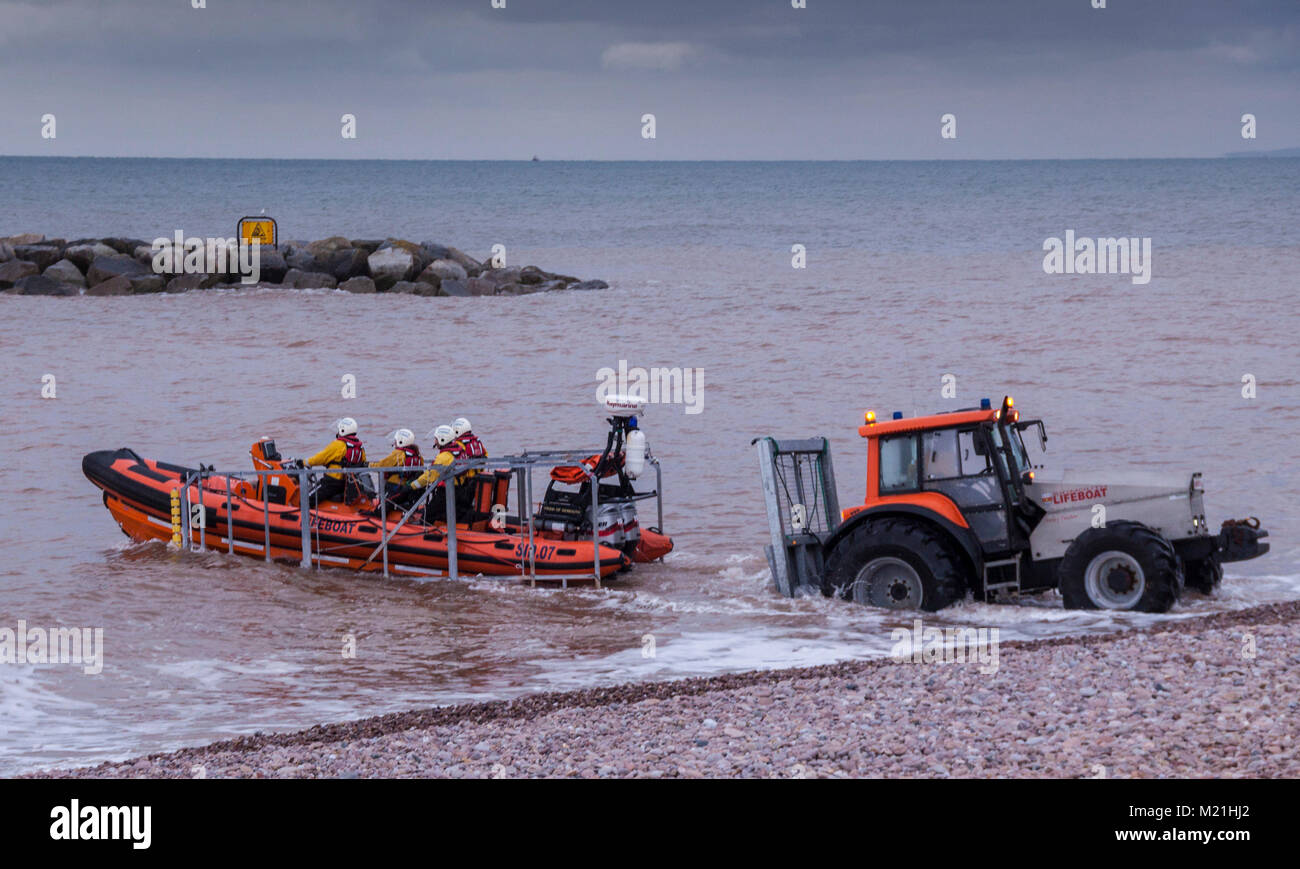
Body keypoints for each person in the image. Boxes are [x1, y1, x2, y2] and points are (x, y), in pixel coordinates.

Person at [401, 424, 461, 523]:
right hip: (458, 489)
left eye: (436, 439)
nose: (435, 442)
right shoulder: (458, 450)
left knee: (427, 517)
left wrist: (411, 486)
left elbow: (429, 477)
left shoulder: (443, 457)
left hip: (446, 492)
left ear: (442, 439)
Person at [303, 417, 367, 504]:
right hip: (346, 483)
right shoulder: (360, 447)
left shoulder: (338, 445)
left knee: (306, 499)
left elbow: (320, 458)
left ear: (343, 430)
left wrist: (302, 462)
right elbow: (363, 463)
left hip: (331, 482)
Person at [371, 428, 423, 508]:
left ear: (401, 441)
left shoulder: (398, 454)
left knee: (381, 508)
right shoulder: (417, 455)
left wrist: (368, 465)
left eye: (395, 440)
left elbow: (382, 465)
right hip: (408, 488)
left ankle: (381, 512)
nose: (394, 442)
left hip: (395, 487)